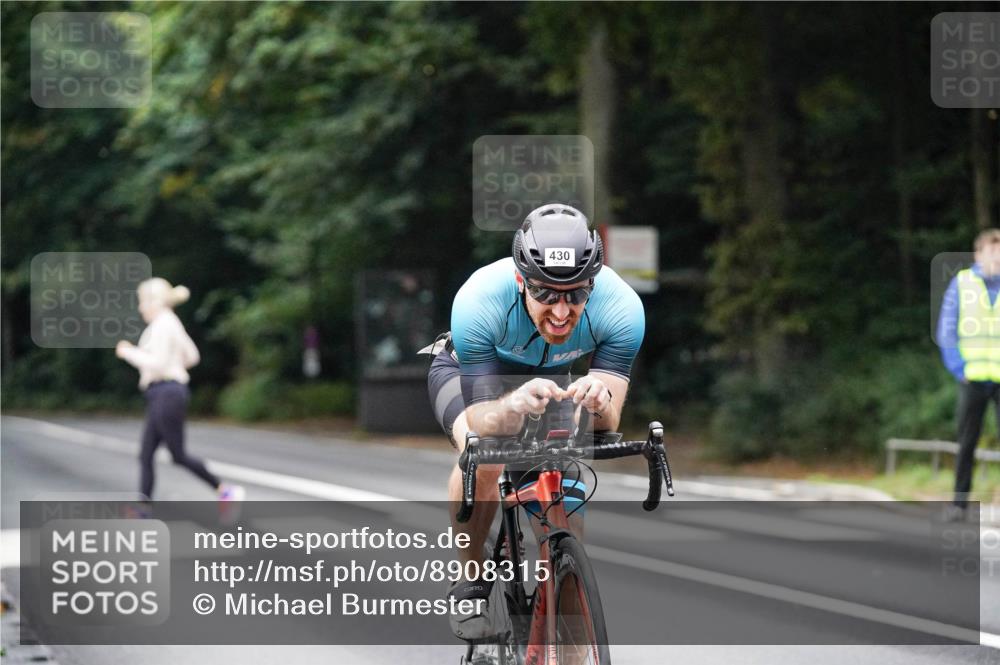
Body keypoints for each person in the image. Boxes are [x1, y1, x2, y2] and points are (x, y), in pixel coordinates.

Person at [426, 203, 645, 638]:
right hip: (471, 378)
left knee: (567, 523)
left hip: (551, 384)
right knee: (482, 451)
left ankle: (573, 640)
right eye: (545, 293)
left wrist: (597, 400)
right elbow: (484, 418)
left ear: (594, 284)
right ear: (520, 280)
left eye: (577, 294)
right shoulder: (478, 300)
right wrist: (512, 405)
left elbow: (607, 419)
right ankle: (470, 585)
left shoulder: (622, 307)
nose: (561, 312)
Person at [116, 278, 244, 508]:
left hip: (166, 392)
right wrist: (174, 366)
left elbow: (158, 363)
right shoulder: (170, 323)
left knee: (177, 454)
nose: (140, 307)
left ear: (155, 302)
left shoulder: (163, 325)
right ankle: (143, 508)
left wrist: (128, 352)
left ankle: (225, 491)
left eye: (143, 302)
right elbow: (192, 356)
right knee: (146, 454)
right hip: (165, 392)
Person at [937, 228, 1000, 521]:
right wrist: (959, 368)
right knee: (966, 444)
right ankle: (959, 505)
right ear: (979, 254)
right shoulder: (962, 284)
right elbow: (947, 330)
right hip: (972, 377)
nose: (998, 258)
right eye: (993, 251)